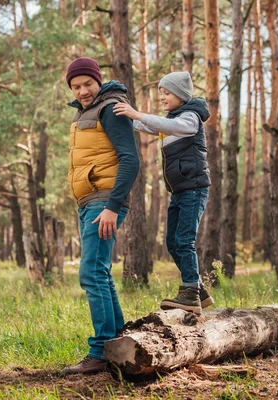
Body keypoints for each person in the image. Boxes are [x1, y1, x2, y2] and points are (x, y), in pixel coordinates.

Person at [62, 57, 140, 374]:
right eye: (75, 86)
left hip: (103, 202)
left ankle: (100, 351)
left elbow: (130, 160)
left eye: (87, 84)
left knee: (91, 274)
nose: (82, 91)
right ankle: (118, 344)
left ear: (98, 80)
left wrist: (111, 207)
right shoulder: (86, 112)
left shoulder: (111, 108)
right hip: (91, 202)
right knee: (101, 273)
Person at [113, 71, 213, 315]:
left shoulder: (190, 117)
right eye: (161, 93)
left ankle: (190, 291)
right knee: (172, 242)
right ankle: (198, 289)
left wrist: (137, 113)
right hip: (179, 191)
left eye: (166, 93)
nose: (162, 98)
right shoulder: (173, 118)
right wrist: (126, 116)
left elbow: (170, 125)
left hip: (194, 188)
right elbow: (149, 125)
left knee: (184, 240)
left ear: (180, 94)